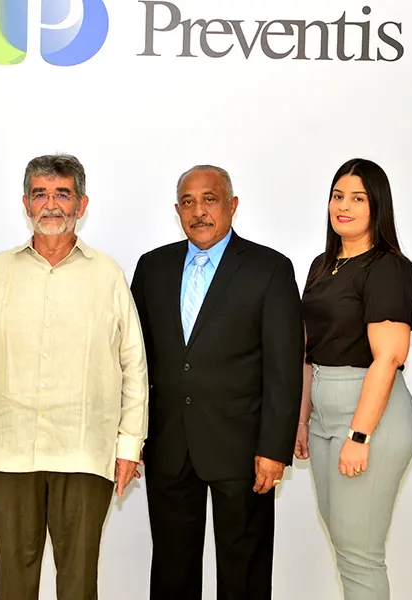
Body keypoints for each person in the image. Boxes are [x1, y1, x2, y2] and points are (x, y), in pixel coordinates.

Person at [0, 154, 148, 600]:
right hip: (8, 452)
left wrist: (128, 447)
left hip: (84, 450)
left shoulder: (107, 275)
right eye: (40, 194)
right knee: (14, 581)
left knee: (79, 581)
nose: (51, 204)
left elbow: (134, 367)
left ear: (82, 204)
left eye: (62, 194)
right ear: (25, 202)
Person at [130, 165, 303, 600]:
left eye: (209, 199)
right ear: (176, 210)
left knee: (244, 573)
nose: (198, 211)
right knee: (172, 571)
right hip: (169, 446)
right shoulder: (152, 268)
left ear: (232, 205)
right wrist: (132, 438)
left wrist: (274, 448)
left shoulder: (270, 268)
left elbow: (284, 367)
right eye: (187, 201)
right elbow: (135, 360)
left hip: (244, 450)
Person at [295, 158, 412, 600]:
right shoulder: (321, 265)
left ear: (377, 206)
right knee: (343, 541)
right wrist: (302, 417)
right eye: (337, 195)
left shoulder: (387, 268)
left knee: (359, 550)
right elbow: (308, 350)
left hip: (371, 414)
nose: (342, 206)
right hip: (325, 413)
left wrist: (360, 435)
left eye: (357, 198)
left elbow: (387, 358)